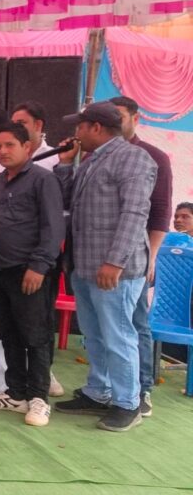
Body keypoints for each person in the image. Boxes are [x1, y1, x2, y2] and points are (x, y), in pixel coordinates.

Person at [52, 101, 156, 433]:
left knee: (118, 335)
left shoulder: (133, 158)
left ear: (96, 127)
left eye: (80, 127)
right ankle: (99, 391)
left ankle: (128, 403)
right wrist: (65, 165)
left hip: (115, 269)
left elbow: (134, 214)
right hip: (85, 265)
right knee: (94, 335)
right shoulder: (91, 160)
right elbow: (66, 202)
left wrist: (115, 261)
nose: (76, 133)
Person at [0, 123, 65, 427]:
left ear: (27, 147)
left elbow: (53, 228)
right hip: (1, 270)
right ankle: (16, 393)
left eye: (10, 145)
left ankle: (39, 397)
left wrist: (39, 267)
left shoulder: (43, 180)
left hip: (30, 271)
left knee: (36, 335)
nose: (2, 151)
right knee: (9, 333)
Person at [113, 95, 173, 416]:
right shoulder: (97, 155)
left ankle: (143, 388)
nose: (114, 122)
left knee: (136, 322)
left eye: (120, 116)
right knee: (108, 325)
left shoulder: (154, 156)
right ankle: (108, 388)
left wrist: (151, 257)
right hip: (102, 256)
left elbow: (160, 212)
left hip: (137, 256)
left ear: (135, 119)